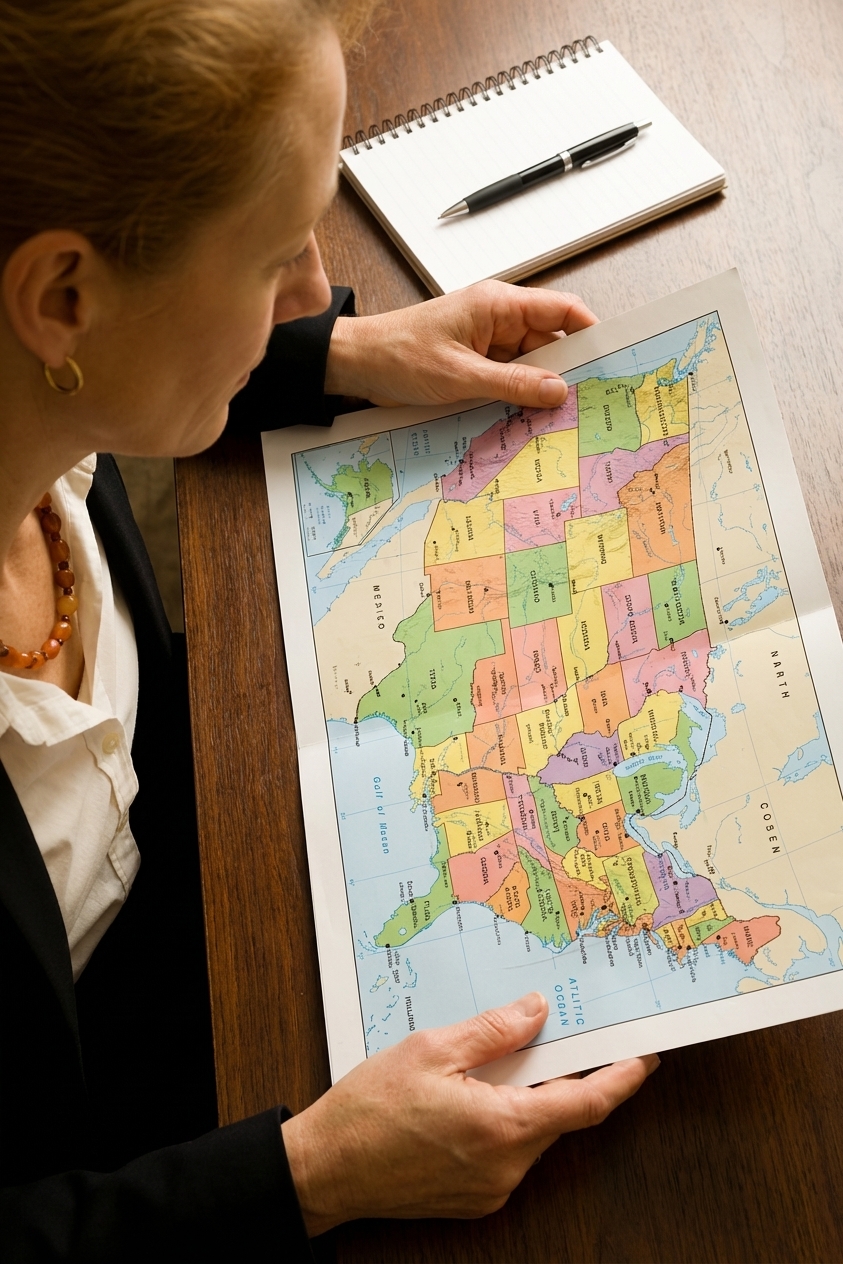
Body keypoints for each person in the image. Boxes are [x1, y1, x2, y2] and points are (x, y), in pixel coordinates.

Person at [0, 0, 659, 1258]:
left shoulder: (47, 416)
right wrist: (305, 1176)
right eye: (274, 259)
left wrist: (340, 350)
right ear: (65, 295)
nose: (312, 285)